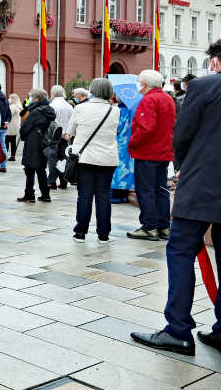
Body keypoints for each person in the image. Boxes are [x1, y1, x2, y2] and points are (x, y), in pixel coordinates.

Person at [131, 40, 221, 358]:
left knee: (180, 251)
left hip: (203, 184)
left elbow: (182, 134)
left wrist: (182, 167)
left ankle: (178, 330)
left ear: (216, 62)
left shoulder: (206, 87)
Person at [66, 78, 119, 241]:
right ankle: (103, 233)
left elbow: (70, 131)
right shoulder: (114, 111)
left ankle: (81, 231)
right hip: (107, 157)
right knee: (103, 195)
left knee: (85, 195)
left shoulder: (80, 108)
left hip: (85, 157)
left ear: (92, 90)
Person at [127, 70, 176, 240]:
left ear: (145, 84)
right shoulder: (167, 98)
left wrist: (132, 142)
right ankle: (163, 226)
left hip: (148, 152)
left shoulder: (149, 99)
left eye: (139, 82)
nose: (138, 85)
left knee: (145, 190)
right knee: (161, 189)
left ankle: (149, 226)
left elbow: (145, 128)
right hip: (164, 151)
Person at [18, 88, 56, 203]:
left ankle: (29, 195)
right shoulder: (49, 109)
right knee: (41, 169)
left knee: (29, 169)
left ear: (36, 99)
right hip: (44, 142)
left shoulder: (35, 111)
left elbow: (24, 127)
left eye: (31, 97)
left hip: (33, 142)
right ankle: (45, 194)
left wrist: (23, 133)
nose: (30, 99)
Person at [46, 85, 74, 190]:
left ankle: (51, 181)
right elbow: (72, 121)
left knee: (52, 159)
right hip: (66, 135)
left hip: (54, 136)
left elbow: (52, 122)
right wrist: (68, 133)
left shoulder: (52, 105)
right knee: (63, 159)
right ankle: (63, 181)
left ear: (53, 94)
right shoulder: (69, 106)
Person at [7, 93, 22, 161]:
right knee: (13, 142)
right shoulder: (18, 106)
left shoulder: (13, 106)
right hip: (16, 125)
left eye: (10, 98)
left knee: (6, 141)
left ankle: (5, 155)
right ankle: (13, 156)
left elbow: (8, 115)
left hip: (11, 126)